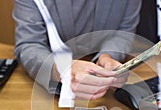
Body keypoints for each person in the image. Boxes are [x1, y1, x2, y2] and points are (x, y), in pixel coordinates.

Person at [13, 0, 142, 100]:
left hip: (106, 96)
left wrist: (108, 56)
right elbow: (29, 44)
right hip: (48, 92)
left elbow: (123, 32)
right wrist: (61, 69)